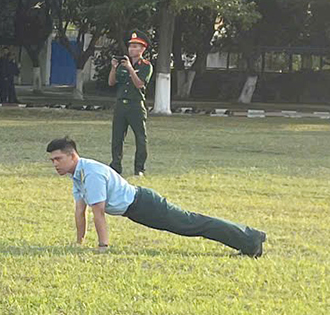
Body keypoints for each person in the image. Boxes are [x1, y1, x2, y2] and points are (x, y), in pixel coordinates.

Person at [45, 136, 265, 256]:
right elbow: (80, 210)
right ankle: (249, 239)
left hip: (145, 204)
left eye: (58, 159)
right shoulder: (78, 174)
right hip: (137, 209)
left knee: (193, 224)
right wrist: (79, 243)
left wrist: (103, 247)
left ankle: (251, 239)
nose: (55, 164)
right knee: (192, 224)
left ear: (73, 156)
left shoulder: (91, 173)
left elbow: (98, 212)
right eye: (52, 160)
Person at [109, 34, 153, 175]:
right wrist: (114, 68)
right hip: (121, 105)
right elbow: (111, 82)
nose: (131, 49)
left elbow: (139, 84)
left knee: (140, 138)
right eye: (130, 46)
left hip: (135, 105)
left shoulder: (146, 66)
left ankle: (139, 168)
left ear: (142, 49)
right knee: (117, 137)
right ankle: (115, 166)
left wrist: (130, 68)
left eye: (135, 46)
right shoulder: (122, 65)